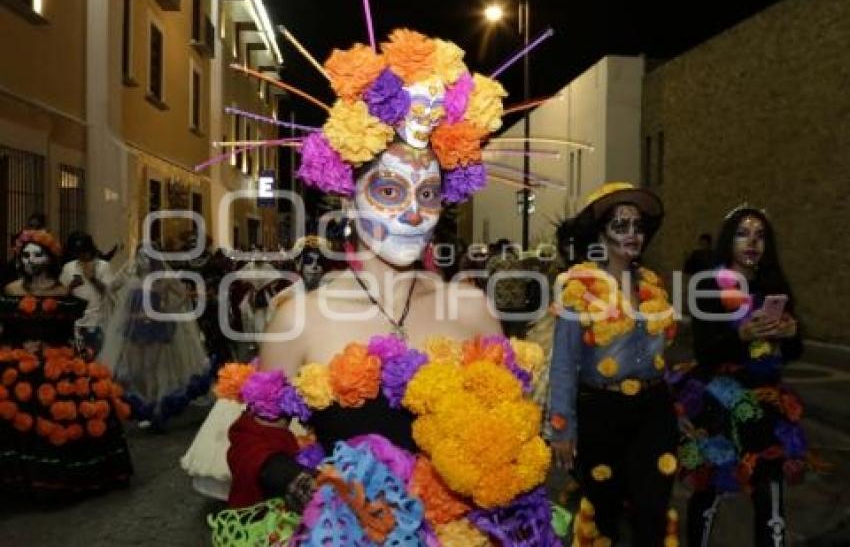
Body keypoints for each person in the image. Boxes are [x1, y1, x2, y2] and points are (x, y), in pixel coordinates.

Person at [200, 29, 559, 546]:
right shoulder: (301, 316)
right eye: (389, 190)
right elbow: (255, 440)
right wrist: (310, 486)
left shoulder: (474, 308)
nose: (414, 212)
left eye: (429, 193)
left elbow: (508, 433)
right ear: (349, 199)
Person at [548, 183, 679, 546]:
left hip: (653, 412)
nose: (632, 234)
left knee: (652, 508)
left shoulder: (653, 285)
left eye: (637, 226)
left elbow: (662, 354)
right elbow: (564, 362)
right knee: (604, 513)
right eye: (620, 225)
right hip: (599, 413)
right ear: (601, 233)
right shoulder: (578, 286)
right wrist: (561, 426)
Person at [675, 206, 803, 547]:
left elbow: (793, 353)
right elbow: (704, 351)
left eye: (760, 236)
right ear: (728, 240)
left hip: (765, 402)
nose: (752, 242)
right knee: (711, 487)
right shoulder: (710, 285)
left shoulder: (772, 283)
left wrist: (790, 333)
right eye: (743, 234)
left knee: (769, 484)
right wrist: (742, 337)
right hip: (720, 400)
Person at [0, 229, 133, 498]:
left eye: (37, 255)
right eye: (25, 255)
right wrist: (19, 345)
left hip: (56, 361)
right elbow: (8, 329)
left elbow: (65, 333)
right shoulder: (11, 290)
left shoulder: (62, 292)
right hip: (17, 361)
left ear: (48, 258)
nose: (30, 260)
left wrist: (48, 346)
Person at [100, 247, 210, 428]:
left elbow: (182, 293)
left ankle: (154, 408)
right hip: (134, 328)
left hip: (156, 328)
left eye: (146, 256)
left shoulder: (162, 279)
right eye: (139, 255)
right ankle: (145, 404)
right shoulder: (130, 276)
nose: (142, 260)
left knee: (151, 368)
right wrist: (120, 308)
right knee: (136, 369)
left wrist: (168, 310)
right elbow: (111, 288)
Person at [60, 232, 114, 356]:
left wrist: (93, 279)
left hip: (98, 321)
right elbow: (61, 294)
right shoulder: (69, 267)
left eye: (84, 251)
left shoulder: (103, 266)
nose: (82, 255)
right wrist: (71, 286)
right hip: (76, 324)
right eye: (78, 252)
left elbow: (110, 292)